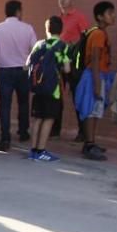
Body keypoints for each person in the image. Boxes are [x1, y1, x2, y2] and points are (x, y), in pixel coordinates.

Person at [0, 0, 37, 153]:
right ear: (18, 11)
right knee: (23, 102)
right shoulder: (28, 28)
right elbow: (35, 50)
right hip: (22, 70)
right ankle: (23, 132)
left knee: (5, 105)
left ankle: (5, 138)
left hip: (4, 71)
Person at [26, 16, 71, 162]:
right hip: (53, 89)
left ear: (46, 29)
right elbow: (67, 69)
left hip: (38, 87)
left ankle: (33, 150)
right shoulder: (62, 45)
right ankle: (41, 150)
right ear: (61, 29)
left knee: (37, 118)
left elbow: (27, 64)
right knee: (49, 118)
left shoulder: (39, 44)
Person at [79, 1, 116, 160]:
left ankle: (91, 142)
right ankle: (89, 144)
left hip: (99, 75)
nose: (113, 16)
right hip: (94, 75)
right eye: (109, 13)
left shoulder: (101, 33)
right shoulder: (98, 34)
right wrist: (97, 83)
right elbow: (94, 59)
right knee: (91, 110)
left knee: (96, 111)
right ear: (100, 17)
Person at [54, 0, 90, 139]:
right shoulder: (57, 18)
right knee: (56, 97)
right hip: (58, 62)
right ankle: (55, 129)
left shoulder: (79, 17)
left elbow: (85, 39)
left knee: (77, 97)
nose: (63, 0)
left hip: (74, 63)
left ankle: (83, 132)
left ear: (73, 0)